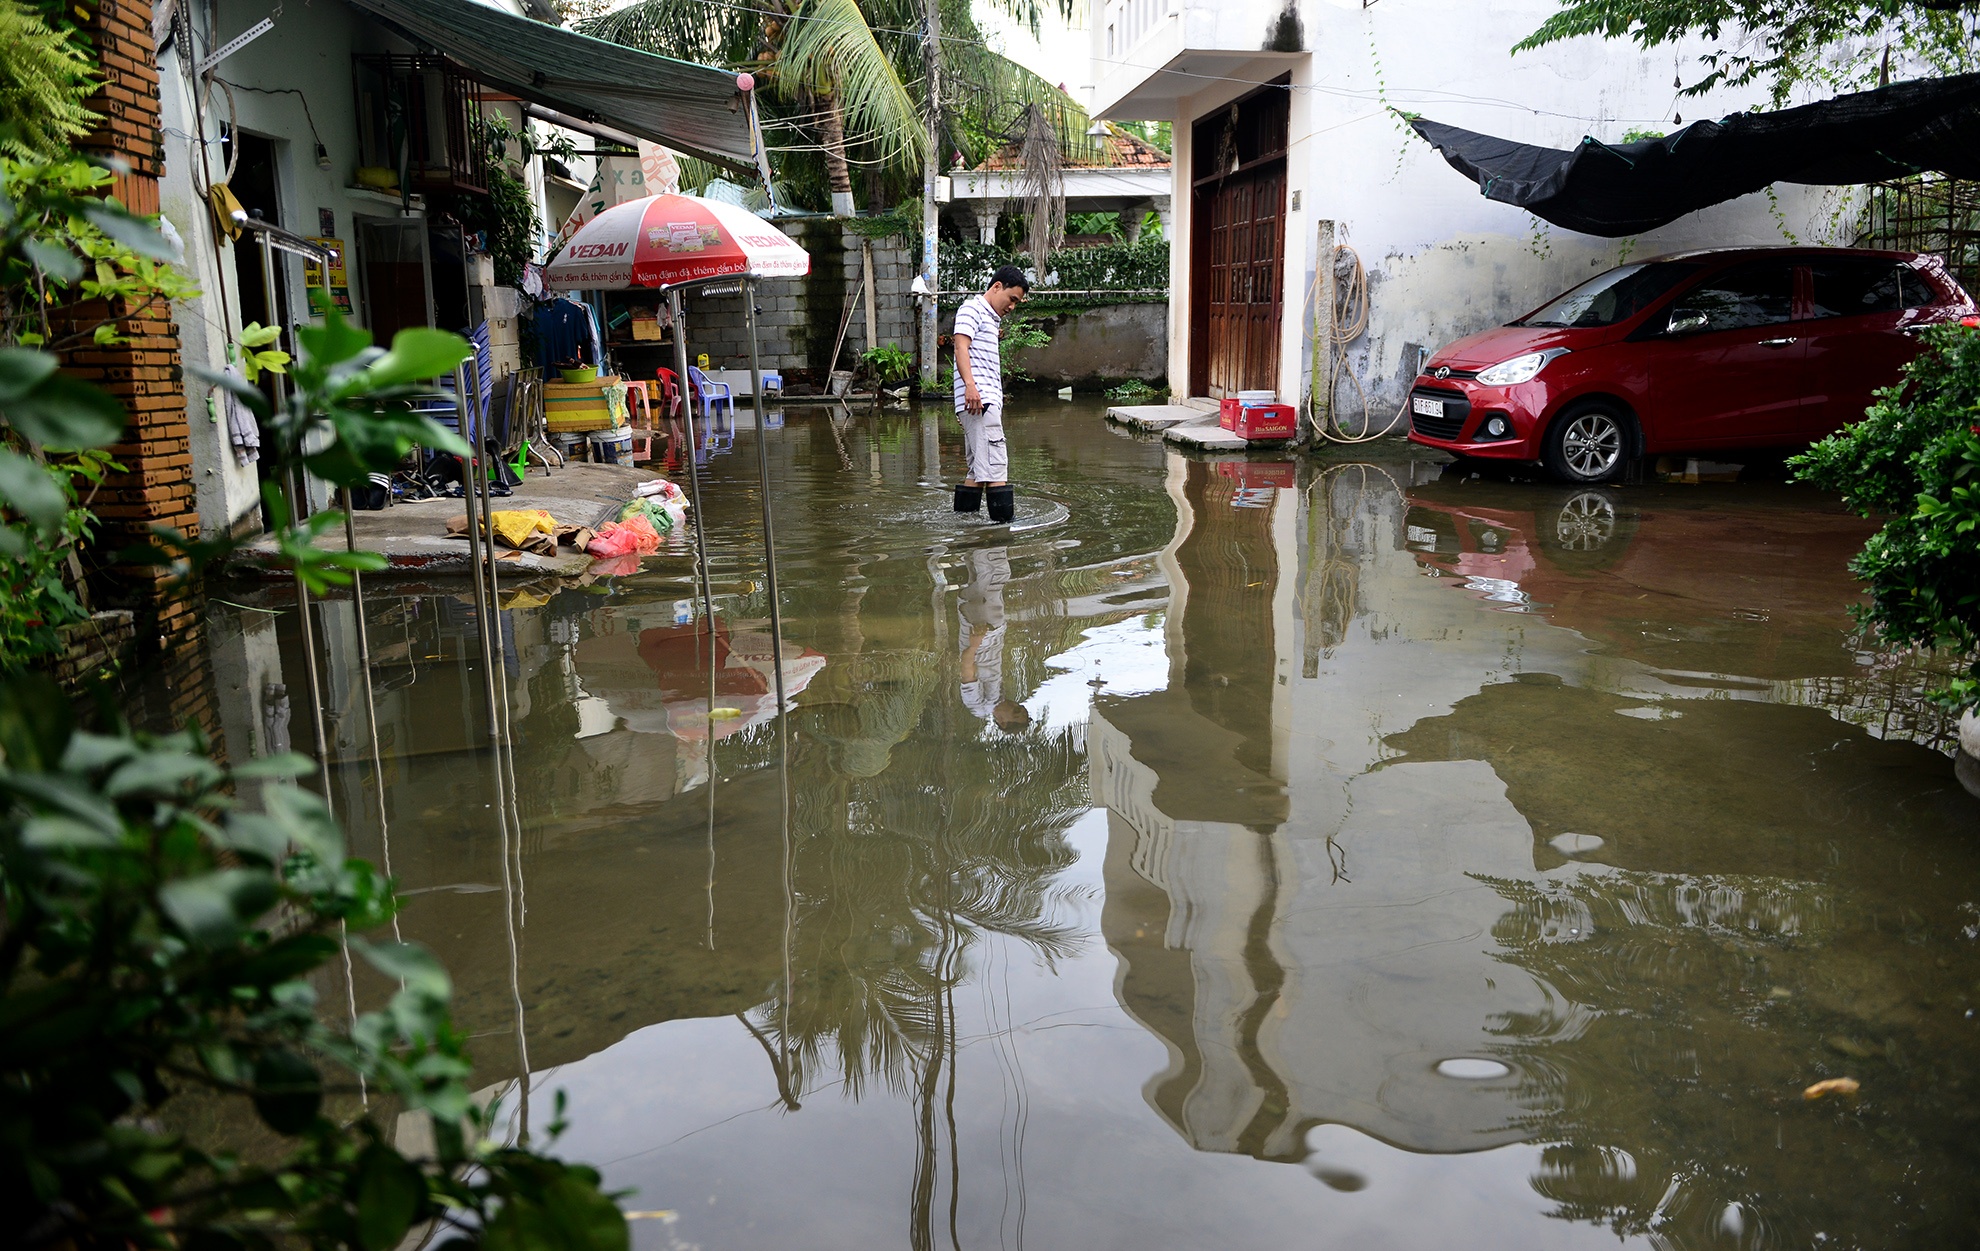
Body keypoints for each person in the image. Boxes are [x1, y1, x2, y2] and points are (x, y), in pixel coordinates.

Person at [951, 264, 1030, 523]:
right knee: (996, 468)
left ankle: (966, 531)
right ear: (997, 287)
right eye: (1012, 299)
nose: (1012, 307)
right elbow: (960, 347)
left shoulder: (987, 317)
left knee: (977, 470)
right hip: (980, 400)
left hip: (980, 402)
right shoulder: (972, 309)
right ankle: (1001, 541)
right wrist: (971, 387)